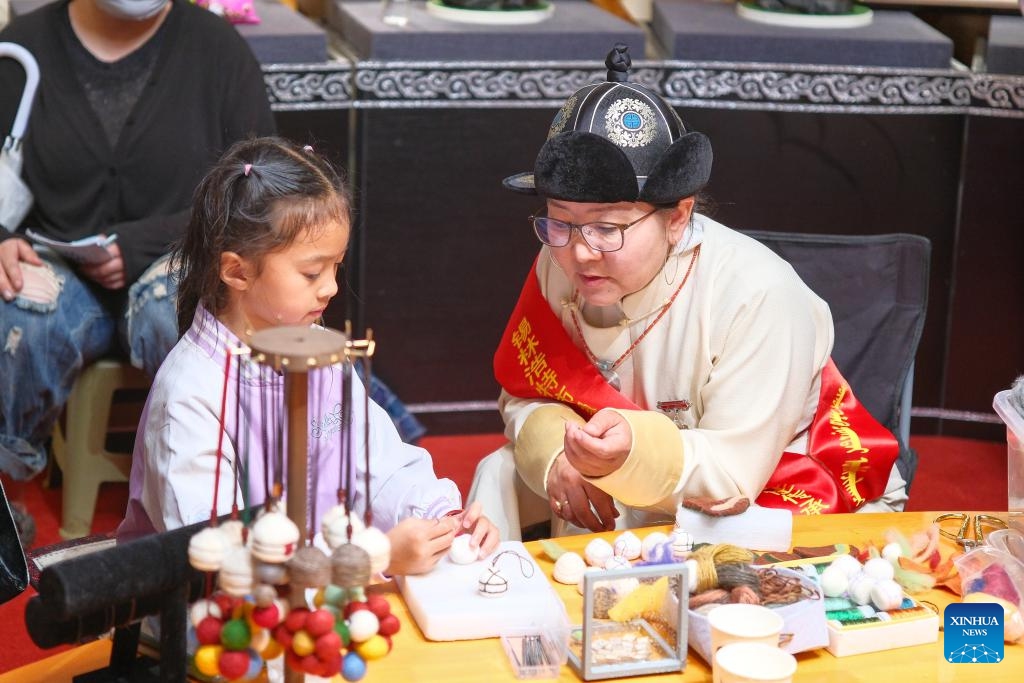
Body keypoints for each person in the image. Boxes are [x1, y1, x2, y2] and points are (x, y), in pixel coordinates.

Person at [468, 44, 908, 540]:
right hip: (632, 473)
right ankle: (493, 605)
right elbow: (525, 393)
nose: (580, 253)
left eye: (607, 228)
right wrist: (556, 457)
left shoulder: (759, 295)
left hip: (774, 484)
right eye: (559, 222)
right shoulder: (560, 257)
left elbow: (730, 474)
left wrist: (629, 451)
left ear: (677, 216)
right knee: (499, 470)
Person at [118, 137, 499, 575]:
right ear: (237, 271)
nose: (332, 287)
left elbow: (378, 463)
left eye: (336, 266)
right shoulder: (191, 394)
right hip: (220, 620)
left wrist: (439, 518)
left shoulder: (316, 349)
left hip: (322, 586)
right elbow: (222, 563)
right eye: (312, 272)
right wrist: (376, 557)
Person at [0, 0, 276, 547]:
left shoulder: (216, 48)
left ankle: (211, 491)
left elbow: (259, 187)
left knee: (178, 309)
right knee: (18, 310)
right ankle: (10, 494)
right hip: (49, 256)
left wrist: (140, 242)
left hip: (178, 251)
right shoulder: (22, 47)